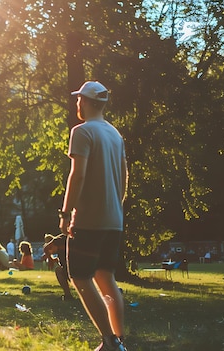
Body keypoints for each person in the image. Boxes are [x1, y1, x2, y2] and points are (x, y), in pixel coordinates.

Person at [61, 81, 128, 351]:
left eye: (79, 99)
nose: (77, 103)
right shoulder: (115, 134)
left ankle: (109, 340)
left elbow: (78, 174)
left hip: (89, 219)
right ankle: (119, 340)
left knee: (80, 278)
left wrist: (66, 213)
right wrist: (117, 206)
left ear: (86, 102)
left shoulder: (82, 131)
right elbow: (124, 177)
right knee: (106, 277)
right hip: (114, 219)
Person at [41, 234, 74, 300]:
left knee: (58, 270)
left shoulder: (60, 239)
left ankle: (68, 295)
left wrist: (50, 259)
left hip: (72, 270)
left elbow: (46, 248)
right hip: (78, 270)